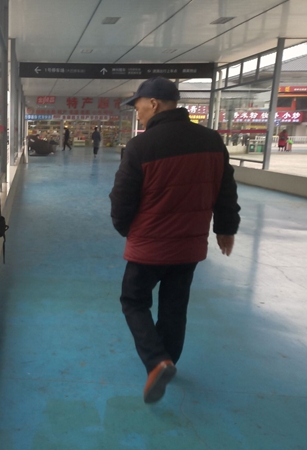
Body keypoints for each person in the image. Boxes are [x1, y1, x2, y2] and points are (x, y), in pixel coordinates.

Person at [110, 77, 240, 404]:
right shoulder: (212, 141)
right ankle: (168, 360)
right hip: (189, 245)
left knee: (133, 300)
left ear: (153, 103)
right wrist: (226, 228)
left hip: (149, 245)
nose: (138, 112)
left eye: (139, 105)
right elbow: (226, 189)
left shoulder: (141, 146)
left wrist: (126, 229)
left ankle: (157, 361)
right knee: (175, 305)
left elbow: (122, 199)